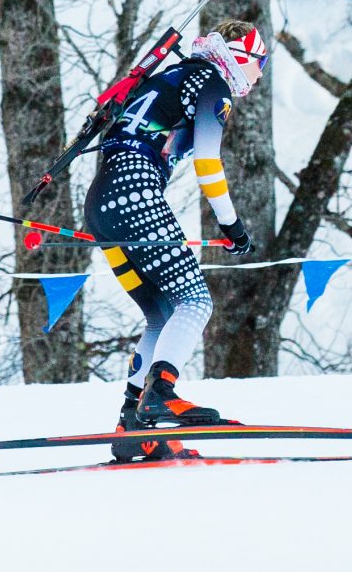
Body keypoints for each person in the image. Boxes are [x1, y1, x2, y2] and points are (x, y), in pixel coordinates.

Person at [85, 23, 265, 458]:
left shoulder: (172, 74)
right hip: (135, 193)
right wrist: (232, 226)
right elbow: (206, 159)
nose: (258, 76)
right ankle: (160, 393)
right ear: (239, 58)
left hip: (102, 202)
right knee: (195, 301)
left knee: (161, 315)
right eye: (259, 65)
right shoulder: (212, 83)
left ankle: (133, 423)